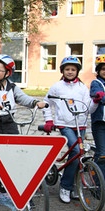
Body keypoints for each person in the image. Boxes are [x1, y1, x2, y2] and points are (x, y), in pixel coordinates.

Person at [0, 54, 47, 210]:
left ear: (7, 73)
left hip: (9, 124)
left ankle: (23, 193)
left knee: (17, 158)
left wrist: (36, 102)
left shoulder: (12, 87)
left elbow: (23, 98)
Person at [43, 55, 92, 204]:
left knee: (79, 156)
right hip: (64, 124)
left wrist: (95, 101)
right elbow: (46, 102)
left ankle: (72, 186)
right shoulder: (57, 87)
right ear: (62, 71)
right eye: (67, 69)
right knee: (77, 151)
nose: (70, 72)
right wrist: (49, 120)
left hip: (80, 124)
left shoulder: (82, 88)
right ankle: (65, 186)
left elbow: (88, 107)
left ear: (77, 71)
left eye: (73, 69)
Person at [89, 55, 105, 179]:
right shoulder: (97, 83)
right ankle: (98, 185)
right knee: (102, 154)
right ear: (98, 71)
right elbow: (97, 95)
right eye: (103, 69)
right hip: (100, 123)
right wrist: (99, 96)